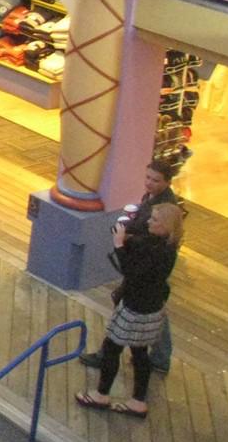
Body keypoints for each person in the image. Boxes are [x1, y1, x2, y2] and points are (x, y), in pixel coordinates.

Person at [76, 202, 184, 419]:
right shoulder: (166, 246)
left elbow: (132, 272)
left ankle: (101, 394)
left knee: (112, 348)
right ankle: (137, 401)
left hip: (137, 308)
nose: (148, 222)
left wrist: (119, 245)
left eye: (154, 220)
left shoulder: (160, 252)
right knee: (140, 352)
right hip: (150, 306)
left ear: (166, 225)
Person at [80, 161, 183, 374]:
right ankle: (157, 358)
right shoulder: (151, 199)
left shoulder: (165, 210)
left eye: (155, 180)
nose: (149, 183)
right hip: (143, 273)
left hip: (144, 271)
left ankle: (141, 359)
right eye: (147, 178)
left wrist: (124, 240)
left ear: (167, 182)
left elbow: (146, 242)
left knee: (141, 314)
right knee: (152, 313)